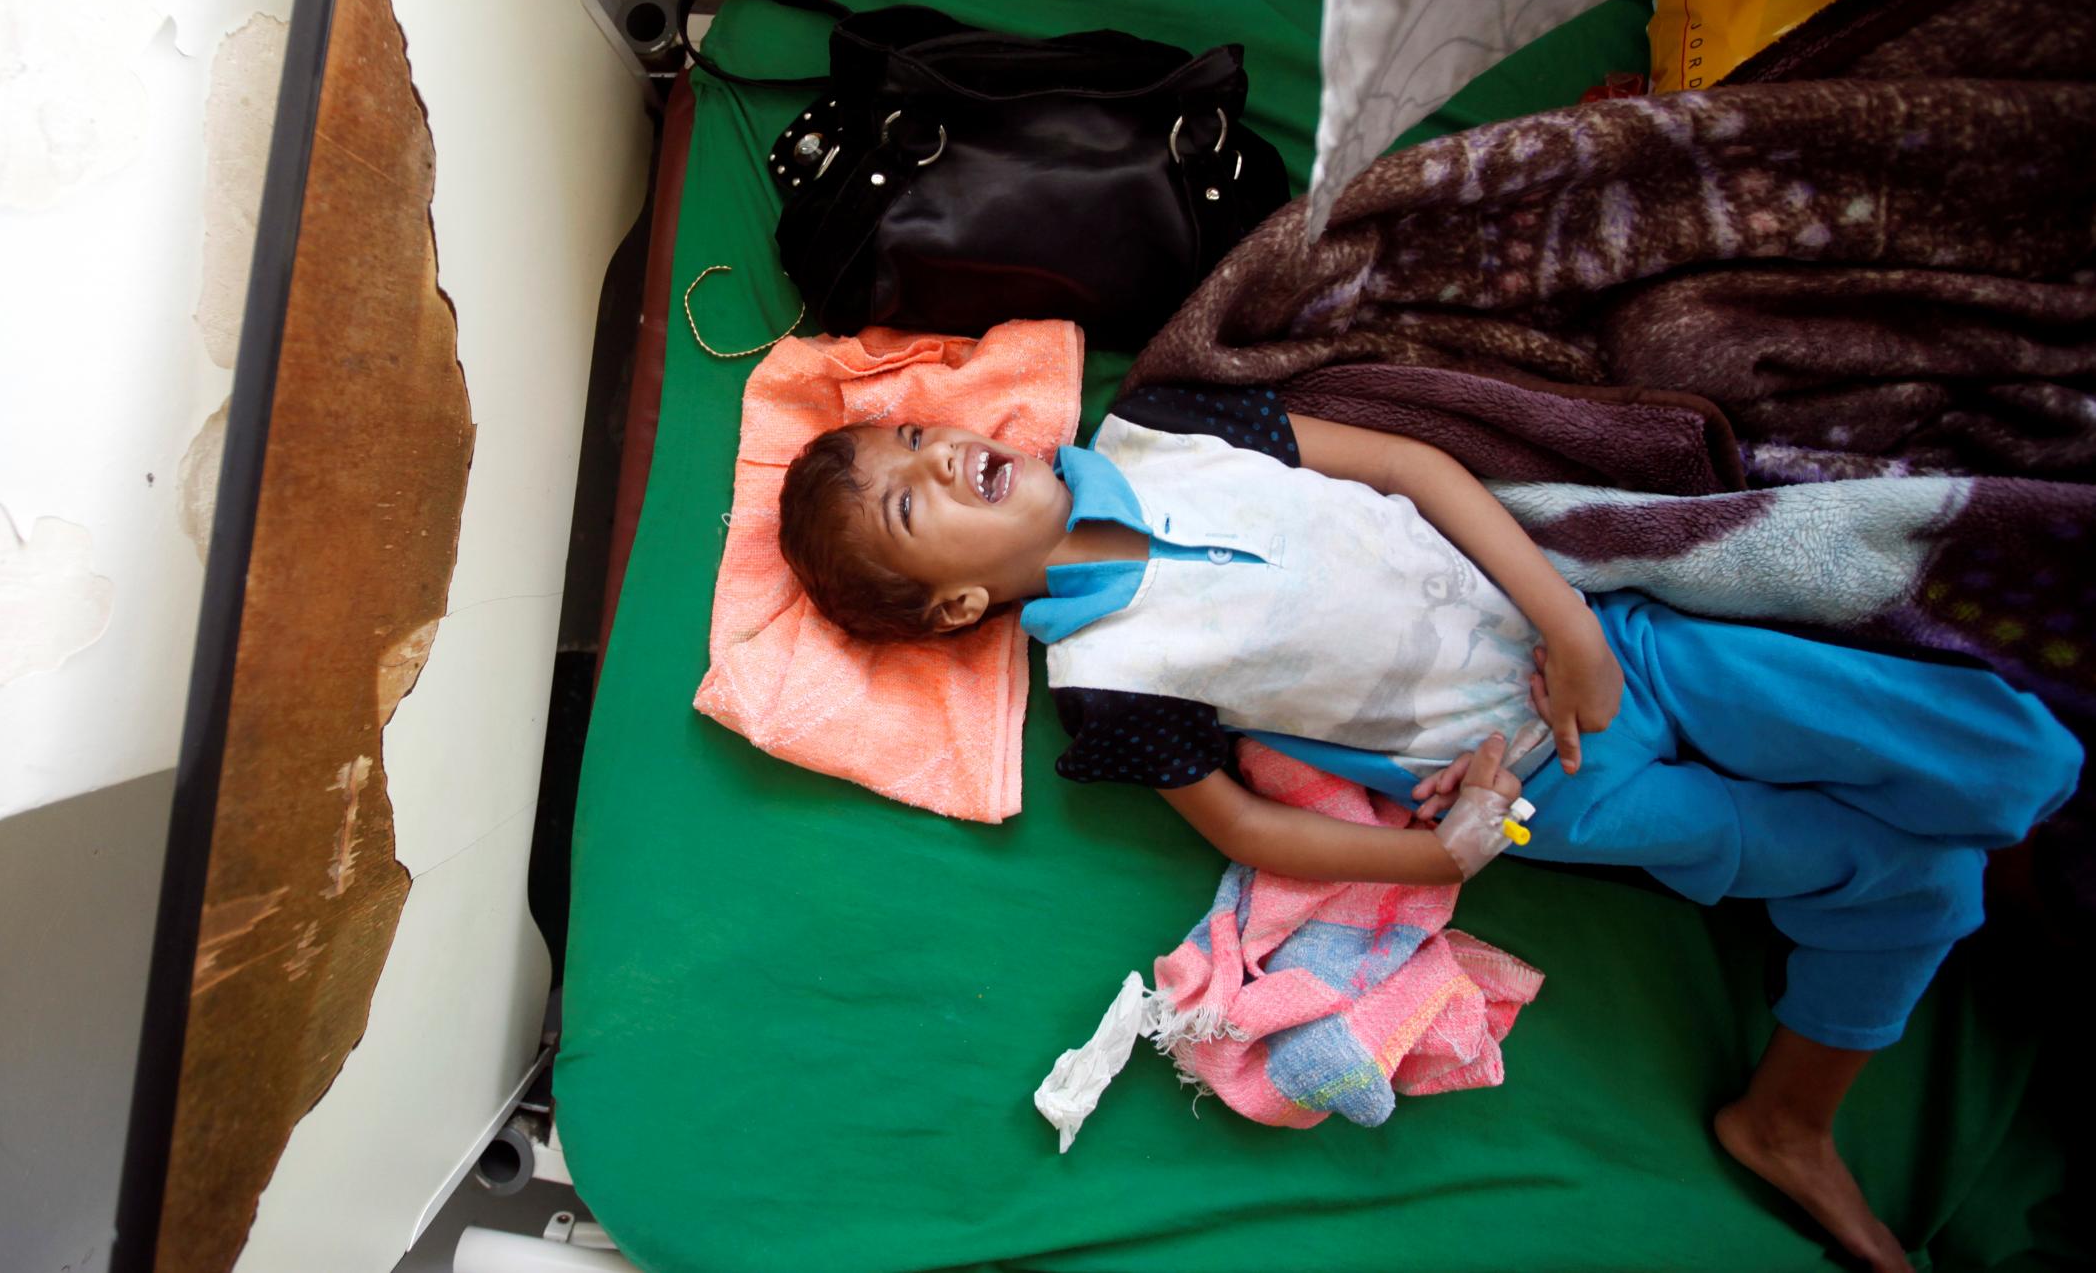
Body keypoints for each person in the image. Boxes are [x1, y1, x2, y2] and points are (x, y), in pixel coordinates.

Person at [776, 382, 2080, 1273]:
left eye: (908, 435)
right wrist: (1441, 854)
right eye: (908, 500)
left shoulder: (1164, 424)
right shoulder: (1107, 687)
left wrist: (1569, 625)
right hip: (1528, 785)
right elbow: (1248, 826)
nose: (935, 454)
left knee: (2015, 756)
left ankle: (2022, 858)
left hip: (1610, 638)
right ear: (957, 606)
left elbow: (1404, 465)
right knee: (1907, 875)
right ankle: (1787, 1119)